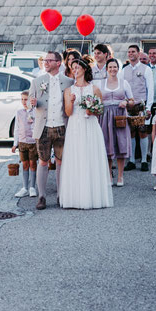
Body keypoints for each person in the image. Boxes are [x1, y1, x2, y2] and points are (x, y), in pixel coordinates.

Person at [59, 58, 113, 209]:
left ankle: (93, 197)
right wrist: (71, 101)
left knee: (90, 157)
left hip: (90, 125)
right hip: (75, 126)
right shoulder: (69, 91)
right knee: (76, 158)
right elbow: (68, 113)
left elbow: (100, 110)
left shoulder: (94, 88)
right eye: (73, 68)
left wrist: (92, 110)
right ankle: (75, 198)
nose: (75, 70)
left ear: (84, 69)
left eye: (77, 67)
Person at [28, 51, 73, 210]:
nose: (45, 62)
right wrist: (32, 103)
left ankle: (61, 195)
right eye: (44, 60)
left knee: (61, 162)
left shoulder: (69, 82)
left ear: (58, 63)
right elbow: (29, 104)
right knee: (43, 161)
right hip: (44, 127)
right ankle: (42, 197)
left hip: (62, 126)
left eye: (49, 60)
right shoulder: (37, 81)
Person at [99, 58, 134, 186]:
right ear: (107, 69)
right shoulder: (100, 84)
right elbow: (96, 100)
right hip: (105, 116)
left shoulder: (124, 83)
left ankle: (120, 176)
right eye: (110, 67)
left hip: (120, 116)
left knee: (121, 144)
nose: (113, 69)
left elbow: (132, 100)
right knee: (107, 144)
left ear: (118, 69)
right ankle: (108, 175)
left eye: (115, 67)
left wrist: (126, 102)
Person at [122, 45, 154, 172]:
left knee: (143, 132)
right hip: (129, 105)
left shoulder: (146, 69)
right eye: (129, 52)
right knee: (131, 132)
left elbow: (150, 89)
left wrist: (149, 106)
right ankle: (131, 160)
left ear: (138, 53)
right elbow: (122, 88)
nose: (131, 54)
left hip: (142, 104)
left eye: (133, 52)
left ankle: (144, 160)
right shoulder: (123, 70)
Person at [11, 91, 38, 199]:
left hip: (32, 142)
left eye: (26, 99)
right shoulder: (19, 112)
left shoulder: (35, 112)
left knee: (33, 164)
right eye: (22, 99)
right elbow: (17, 129)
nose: (23, 102)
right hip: (22, 143)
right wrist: (15, 144)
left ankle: (32, 187)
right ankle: (25, 187)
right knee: (25, 164)